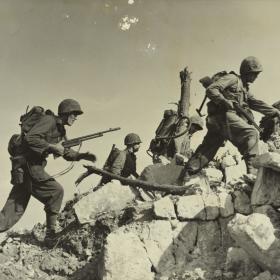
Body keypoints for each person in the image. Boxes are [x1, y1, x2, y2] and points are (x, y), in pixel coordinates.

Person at [0, 99, 97, 247]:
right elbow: (31, 139)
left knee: (12, 210)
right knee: (56, 191)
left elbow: (65, 152)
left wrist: (82, 155)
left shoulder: (61, 130)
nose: (75, 118)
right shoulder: (49, 120)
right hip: (30, 166)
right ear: (66, 113)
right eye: (74, 114)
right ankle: (51, 235)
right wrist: (51, 147)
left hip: (25, 168)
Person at [182, 56, 280, 178]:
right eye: (255, 73)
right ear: (247, 71)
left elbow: (255, 103)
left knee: (207, 149)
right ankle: (253, 173)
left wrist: (274, 112)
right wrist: (223, 101)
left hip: (218, 121)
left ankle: (186, 175)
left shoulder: (244, 88)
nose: (256, 76)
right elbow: (211, 89)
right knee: (251, 134)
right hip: (224, 116)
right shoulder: (233, 79)